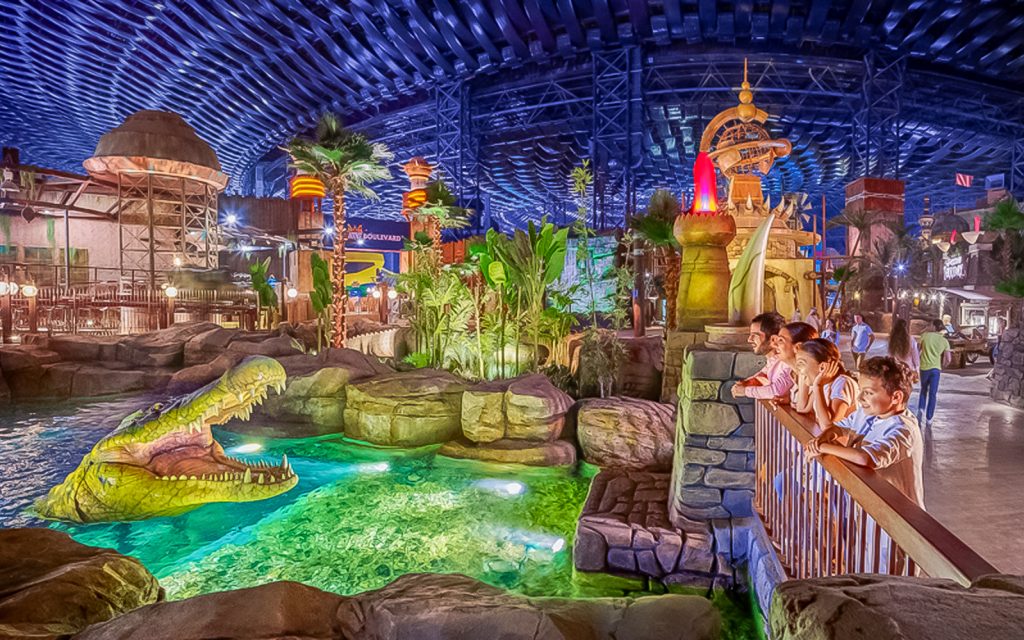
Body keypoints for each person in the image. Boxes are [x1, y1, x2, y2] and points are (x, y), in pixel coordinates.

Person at [805, 356, 924, 508]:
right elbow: (838, 427)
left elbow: (866, 458)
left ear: (896, 397)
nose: (860, 398)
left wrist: (820, 447)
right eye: (861, 390)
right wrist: (821, 439)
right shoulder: (866, 413)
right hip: (870, 506)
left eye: (868, 393)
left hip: (897, 515)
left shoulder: (903, 429)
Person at [791, 338, 858, 423]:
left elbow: (829, 424)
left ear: (822, 367)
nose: (798, 370)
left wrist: (818, 387)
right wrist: (802, 373)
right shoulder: (823, 384)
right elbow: (802, 408)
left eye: (801, 364)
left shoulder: (842, 383)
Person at [731, 312, 794, 400]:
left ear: (773, 339)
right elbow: (763, 374)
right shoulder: (773, 361)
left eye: (755, 335)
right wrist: (745, 383)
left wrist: (745, 391)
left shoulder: (787, 363)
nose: (749, 340)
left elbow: (777, 391)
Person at [768, 322, 819, 405]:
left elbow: (804, 407)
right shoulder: (794, 374)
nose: (774, 344)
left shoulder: (812, 377)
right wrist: (788, 399)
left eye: (780, 340)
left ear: (798, 347)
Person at [918, 319, 952, 428]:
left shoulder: (925, 336)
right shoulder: (944, 341)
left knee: (923, 390)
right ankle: (929, 418)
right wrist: (943, 366)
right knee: (933, 393)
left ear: (933, 326)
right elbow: (948, 359)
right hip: (936, 369)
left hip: (924, 367)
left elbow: (917, 350)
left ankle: (921, 409)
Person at [887, 318, 920, 383]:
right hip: (907, 367)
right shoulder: (910, 339)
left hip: (895, 367)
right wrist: (917, 369)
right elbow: (915, 355)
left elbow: (890, 354)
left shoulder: (891, 339)